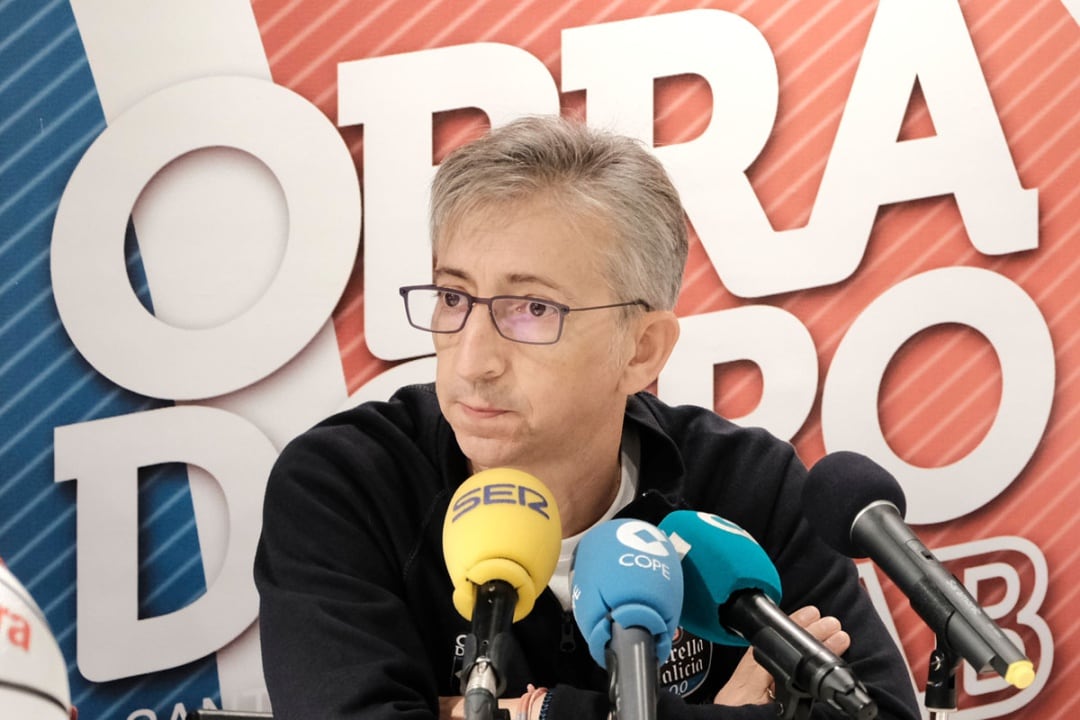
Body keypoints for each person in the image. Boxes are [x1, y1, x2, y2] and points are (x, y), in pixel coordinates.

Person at [254, 115, 920, 720]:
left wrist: (517, 713)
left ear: (641, 349)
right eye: (454, 297)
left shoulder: (749, 484)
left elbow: (880, 713)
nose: (472, 360)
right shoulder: (347, 485)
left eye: (532, 309)